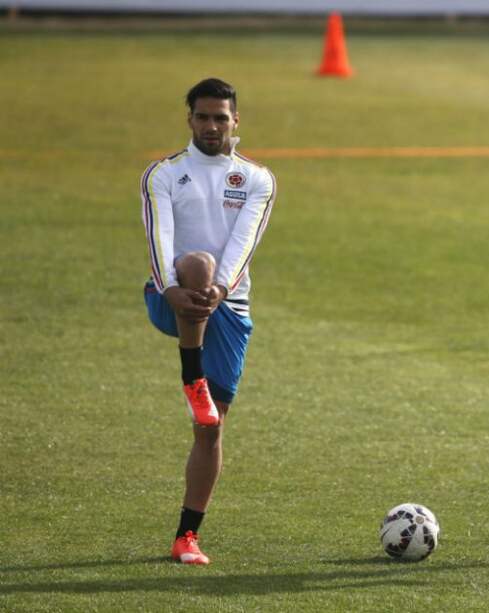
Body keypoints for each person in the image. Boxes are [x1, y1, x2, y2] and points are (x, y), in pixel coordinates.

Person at [141, 77, 276, 565]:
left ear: (236, 120)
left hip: (229, 305)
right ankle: (190, 376)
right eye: (203, 116)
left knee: (211, 430)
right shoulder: (164, 173)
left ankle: (186, 537)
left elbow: (245, 243)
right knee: (196, 262)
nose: (213, 125)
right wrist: (172, 286)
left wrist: (221, 290)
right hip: (169, 295)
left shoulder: (257, 179)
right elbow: (160, 237)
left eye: (221, 117)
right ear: (190, 120)